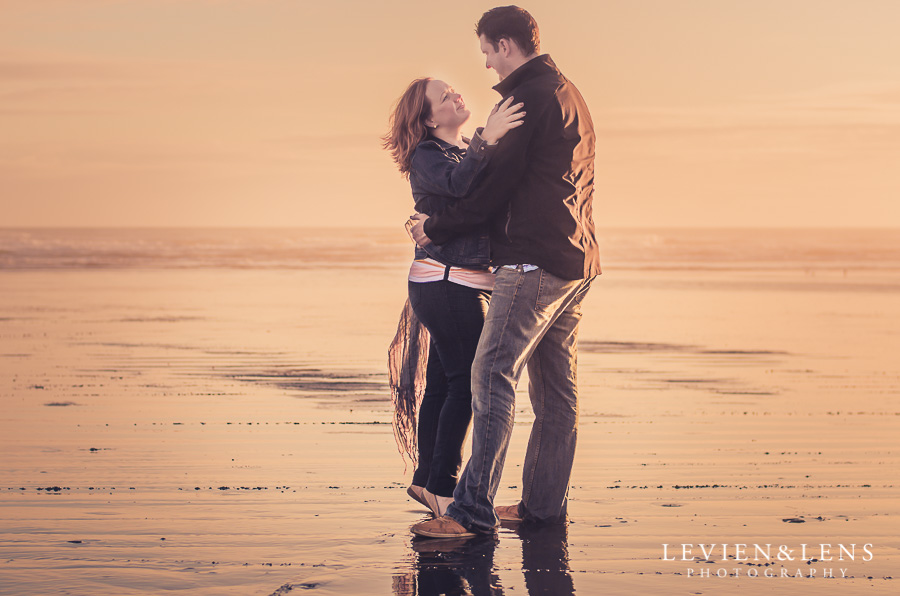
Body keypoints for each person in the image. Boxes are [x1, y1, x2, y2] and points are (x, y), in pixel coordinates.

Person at [408, 5, 601, 538]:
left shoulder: (524, 99)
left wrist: (436, 228)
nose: (488, 66)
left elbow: (492, 189)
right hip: (576, 259)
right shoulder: (570, 93)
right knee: (557, 395)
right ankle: (542, 507)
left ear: (506, 46)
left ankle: (470, 512)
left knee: (490, 376)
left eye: (488, 53)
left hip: (532, 262)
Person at [384, 77, 525, 517]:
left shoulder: (462, 151)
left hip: (457, 282)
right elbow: (463, 187)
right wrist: (489, 136)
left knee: (446, 383)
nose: (457, 96)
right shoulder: (428, 155)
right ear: (428, 119)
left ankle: (428, 482)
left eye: (454, 91)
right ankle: (443, 485)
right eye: (445, 98)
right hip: (445, 283)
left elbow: (481, 197)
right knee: (466, 382)